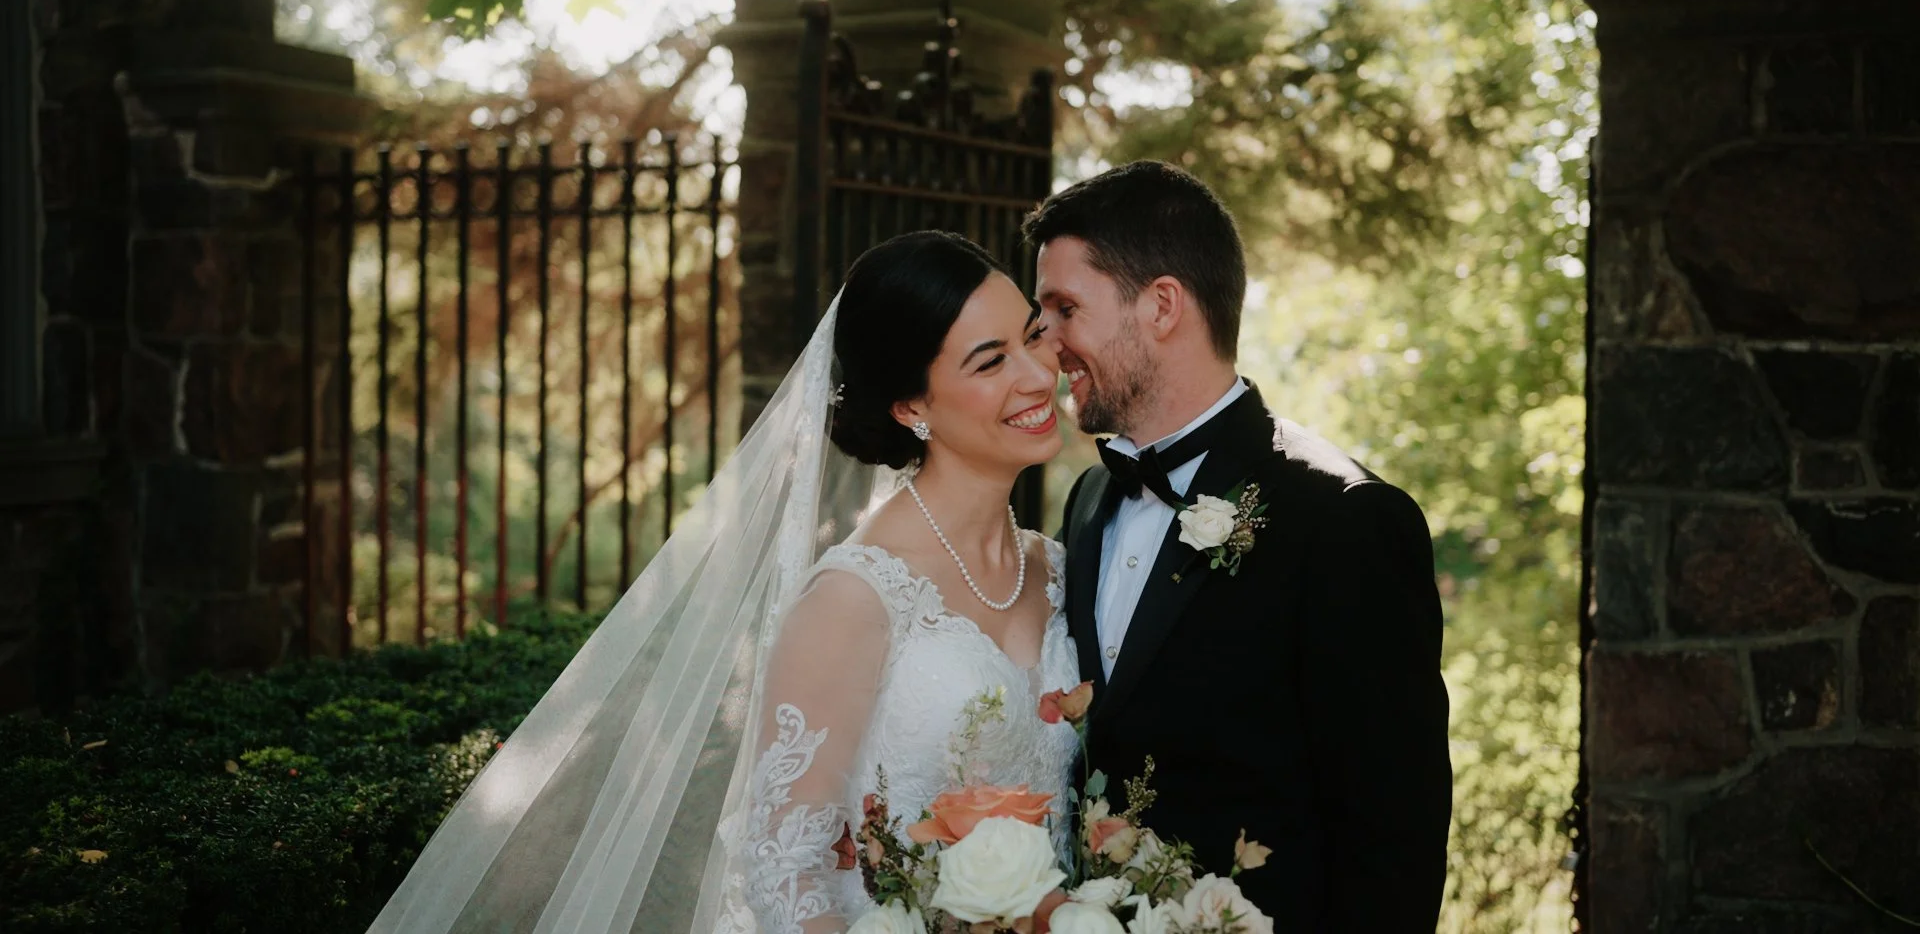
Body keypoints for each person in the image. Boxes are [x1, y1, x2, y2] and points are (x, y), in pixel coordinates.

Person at [365, 231, 1083, 934]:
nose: (1034, 374)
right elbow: (783, 866)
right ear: (911, 406)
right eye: (990, 362)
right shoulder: (855, 597)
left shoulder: (1056, 568)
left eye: (1032, 336)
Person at [1029, 160, 1453, 932]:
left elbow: (1393, 845)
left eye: (1064, 308)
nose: (1045, 343)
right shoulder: (1089, 499)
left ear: (1161, 305)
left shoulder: (1345, 519)